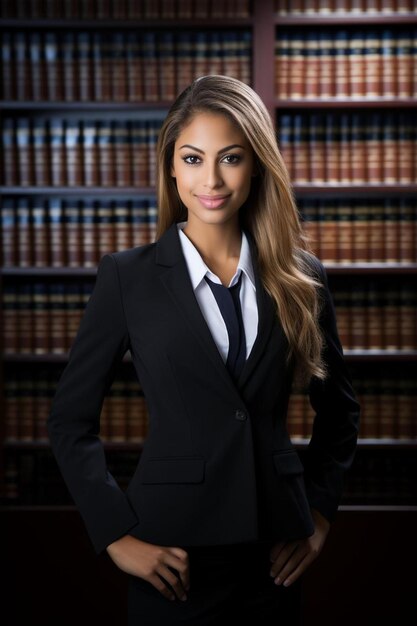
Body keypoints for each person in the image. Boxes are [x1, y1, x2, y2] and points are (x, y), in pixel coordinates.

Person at [46, 74, 360, 625]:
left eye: (231, 158)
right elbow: (70, 421)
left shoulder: (300, 276)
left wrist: (319, 515)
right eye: (193, 158)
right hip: (172, 556)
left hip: (275, 553)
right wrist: (115, 534)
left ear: (257, 164)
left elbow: (339, 412)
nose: (210, 179)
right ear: (170, 165)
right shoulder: (127, 278)